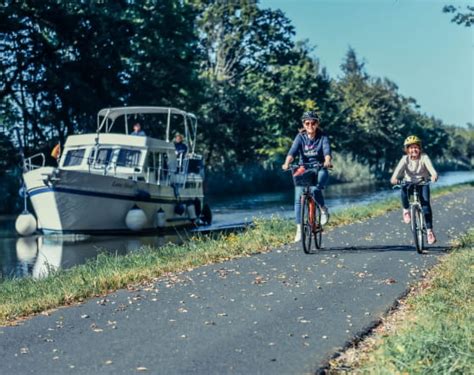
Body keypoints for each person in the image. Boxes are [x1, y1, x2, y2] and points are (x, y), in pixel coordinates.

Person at [282, 111, 333, 242]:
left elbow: (327, 150)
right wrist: (287, 163)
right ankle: (299, 229)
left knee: (315, 189)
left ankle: (323, 209)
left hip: (320, 167)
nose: (310, 125)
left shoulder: (323, 136)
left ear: (317, 123)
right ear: (303, 124)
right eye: (307, 123)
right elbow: (292, 151)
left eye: (313, 122)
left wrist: (327, 161)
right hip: (303, 168)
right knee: (298, 199)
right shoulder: (300, 137)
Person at [390, 135, 438, 244]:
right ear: (407, 150)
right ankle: (406, 210)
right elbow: (396, 173)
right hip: (409, 183)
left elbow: (432, 170)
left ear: (420, 148)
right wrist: (394, 178)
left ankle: (430, 232)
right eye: (411, 148)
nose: (413, 150)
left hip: (423, 182)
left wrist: (434, 175)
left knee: (426, 206)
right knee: (403, 187)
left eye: (416, 147)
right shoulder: (405, 159)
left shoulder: (424, 158)